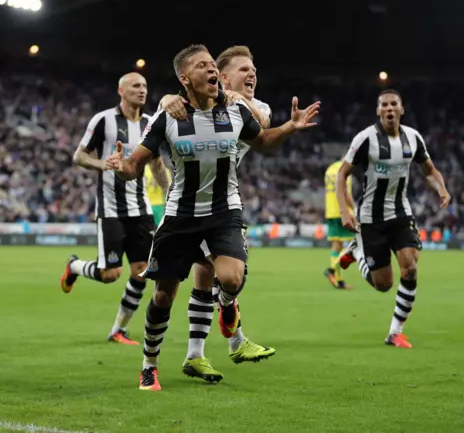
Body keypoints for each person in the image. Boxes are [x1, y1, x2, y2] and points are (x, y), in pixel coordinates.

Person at [105, 44, 319, 391]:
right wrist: (121, 166)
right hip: (180, 216)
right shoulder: (168, 117)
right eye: (202, 66)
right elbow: (135, 164)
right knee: (162, 297)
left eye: (212, 65)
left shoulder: (236, 110)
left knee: (232, 278)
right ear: (184, 78)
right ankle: (149, 365)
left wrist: (290, 127)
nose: (210, 71)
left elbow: (263, 140)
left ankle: (225, 319)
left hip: (224, 211)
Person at [60, 72, 170, 345]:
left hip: (140, 208)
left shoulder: (149, 123)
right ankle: (74, 266)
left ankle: (117, 330)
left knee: (142, 271)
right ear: (121, 90)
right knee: (110, 274)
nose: (142, 90)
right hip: (110, 209)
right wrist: (103, 165)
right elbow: (79, 156)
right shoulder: (104, 120)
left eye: (145, 85)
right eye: (135, 85)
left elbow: (156, 163)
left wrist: (170, 191)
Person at [335, 89, 450, 349]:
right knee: (383, 284)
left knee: (410, 267)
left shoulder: (413, 138)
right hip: (371, 218)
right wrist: (345, 211)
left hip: (400, 212)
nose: (389, 109)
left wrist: (441, 188)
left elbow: (429, 170)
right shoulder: (365, 139)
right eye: (384, 105)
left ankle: (395, 332)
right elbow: (342, 174)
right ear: (378, 111)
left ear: (401, 109)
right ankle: (357, 253)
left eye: (393, 104)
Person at [322, 159, 355, 289]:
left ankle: (338, 281)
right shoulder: (346, 169)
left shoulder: (330, 169)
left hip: (330, 211)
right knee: (357, 243)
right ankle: (331, 269)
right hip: (343, 212)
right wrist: (355, 208)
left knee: (337, 245)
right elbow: (345, 192)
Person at [145, 160, 171, 226]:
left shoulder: (144, 170)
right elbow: (168, 189)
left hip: (147, 206)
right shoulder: (165, 171)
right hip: (160, 206)